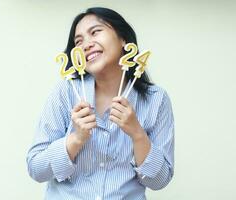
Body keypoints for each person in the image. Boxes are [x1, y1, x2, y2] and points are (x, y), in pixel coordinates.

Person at [26, 7, 174, 200]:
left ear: (123, 39)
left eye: (95, 32)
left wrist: (137, 133)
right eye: (78, 41)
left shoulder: (156, 99)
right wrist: (76, 139)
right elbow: (36, 168)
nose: (86, 45)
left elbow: (159, 181)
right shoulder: (66, 93)